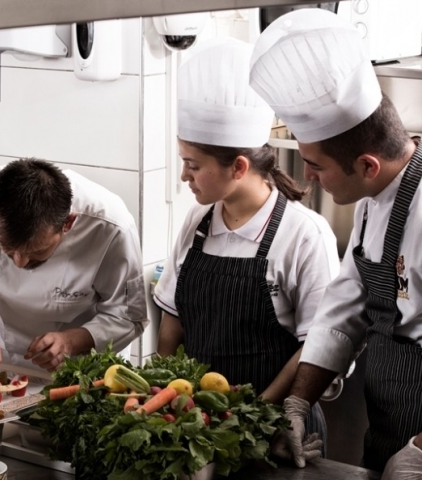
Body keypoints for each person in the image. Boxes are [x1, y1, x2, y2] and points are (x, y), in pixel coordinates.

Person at [249, 8, 422, 474]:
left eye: (317, 165)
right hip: (392, 425)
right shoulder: (376, 197)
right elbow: (345, 308)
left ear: (368, 164)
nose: (306, 177)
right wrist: (296, 403)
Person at [153, 39, 338, 453]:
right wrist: (161, 394)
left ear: (238, 167)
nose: (185, 175)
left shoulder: (303, 234)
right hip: (203, 425)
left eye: (193, 164)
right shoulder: (196, 222)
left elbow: (317, 344)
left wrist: (256, 415)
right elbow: (172, 321)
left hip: (276, 432)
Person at [0, 158, 148, 378]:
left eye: (36, 251)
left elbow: (128, 315)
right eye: (7, 249)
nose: (19, 262)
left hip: (85, 366)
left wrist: (71, 341)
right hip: (5, 356)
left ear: (68, 223)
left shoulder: (111, 225)